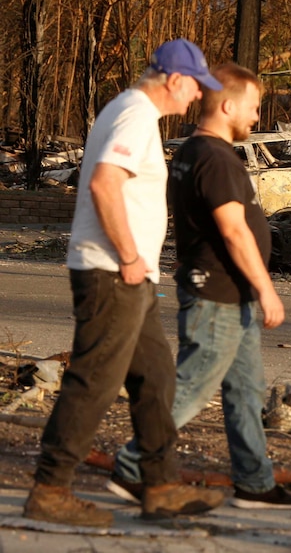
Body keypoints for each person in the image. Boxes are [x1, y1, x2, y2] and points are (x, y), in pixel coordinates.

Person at [23, 39, 227, 528]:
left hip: (129, 276)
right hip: (113, 272)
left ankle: (160, 487)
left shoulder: (133, 114)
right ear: (175, 79)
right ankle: (50, 489)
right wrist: (132, 257)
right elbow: (103, 183)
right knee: (95, 379)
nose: (197, 97)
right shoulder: (135, 114)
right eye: (196, 86)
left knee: (155, 377)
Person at [107, 62, 291, 510]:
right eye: (254, 108)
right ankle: (133, 466)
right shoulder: (214, 158)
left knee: (246, 391)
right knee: (193, 387)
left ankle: (254, 483)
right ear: (229, 105)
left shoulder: (196, 152)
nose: (257, 118)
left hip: (231, 295)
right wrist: (267, 289)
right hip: (219, 294)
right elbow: (232, 230)